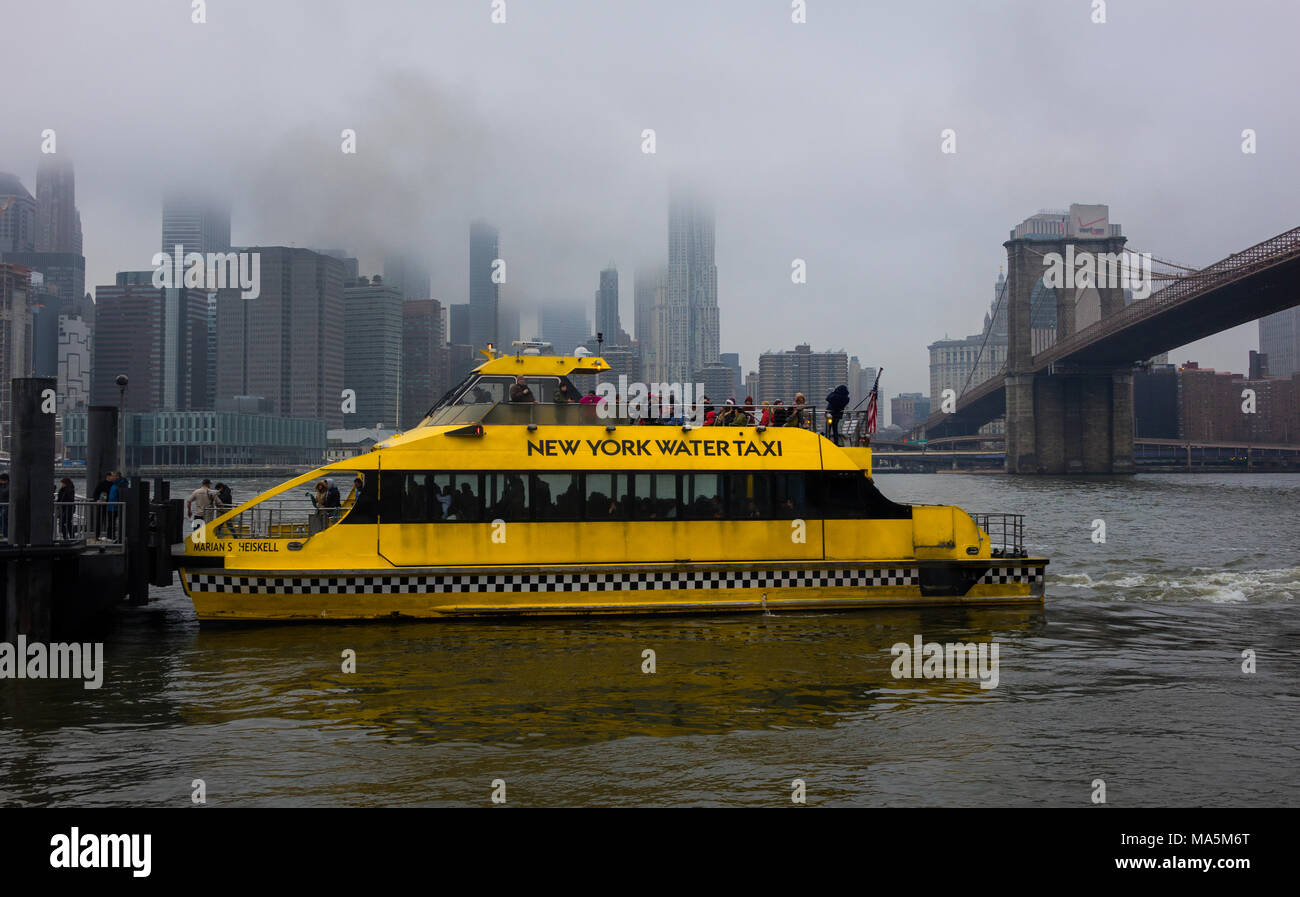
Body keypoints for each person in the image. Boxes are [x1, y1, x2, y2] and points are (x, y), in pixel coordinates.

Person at [106, 471, 124, 541]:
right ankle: (110, 536)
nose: (112, 477)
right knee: (111, 522)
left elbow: (121, 495)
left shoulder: (119, 485)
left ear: (117, 477)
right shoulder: (115, 484)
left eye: (113, 476)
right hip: (111, 506)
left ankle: (113, 537)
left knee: (113, 522)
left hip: (115, 507)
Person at [0, 472, 8, 540]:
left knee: (4, 520)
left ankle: (5, 535)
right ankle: (3, 534)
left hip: (6, 506)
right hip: (3, 505)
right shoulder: (3, 485)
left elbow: (4, 492)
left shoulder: (9, 486)